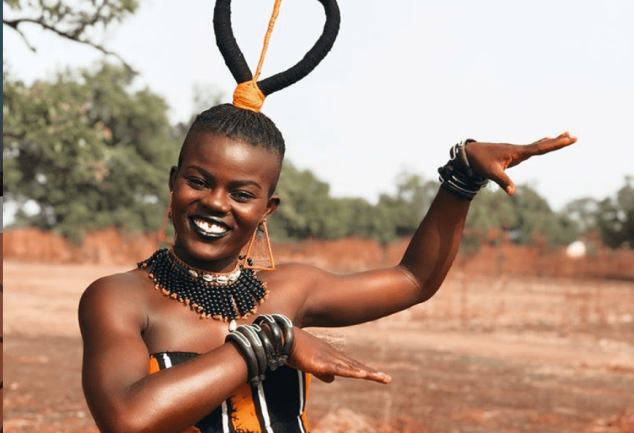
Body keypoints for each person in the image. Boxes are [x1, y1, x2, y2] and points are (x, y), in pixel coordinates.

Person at [79, 2, 577, 433]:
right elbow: (127, 419)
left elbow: (414, 279)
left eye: (242, 193)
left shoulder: (289, 290)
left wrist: (461, 179)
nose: (215, 202)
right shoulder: (118, 298)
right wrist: (271, 341)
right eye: (199, 181)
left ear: (267, 209)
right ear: (173, 182)